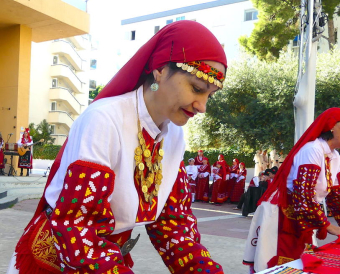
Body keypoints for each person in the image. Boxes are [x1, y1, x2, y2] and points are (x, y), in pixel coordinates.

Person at [8, 21, 227, 274]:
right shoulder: (104, 119)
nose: (202, 106)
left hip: (107, 259)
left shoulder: (175, 135)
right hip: (58, 260)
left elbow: (173, 226)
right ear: (160, 70)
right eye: (197, 89)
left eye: (209, 95)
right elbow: (77, 226)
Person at [243, 108, 340, 272]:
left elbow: (337, 195)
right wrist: (328, 226)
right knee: (280, 264)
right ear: (331, 126)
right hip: (282, 215)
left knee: (300, 263)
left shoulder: (334, 156)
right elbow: (303, 195)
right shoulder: (312, 150)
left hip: (302, 214)